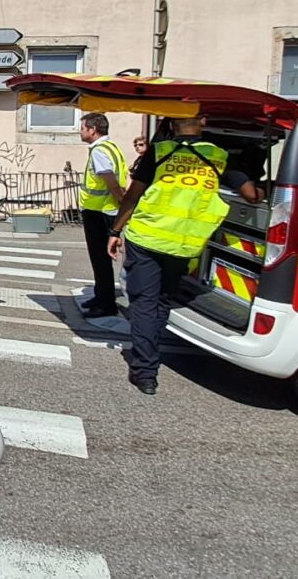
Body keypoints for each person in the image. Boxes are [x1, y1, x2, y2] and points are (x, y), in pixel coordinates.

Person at [108, 115, 230, 395]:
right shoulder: (218, 156)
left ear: (171, 124)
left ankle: (145, 371)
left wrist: (115, 230)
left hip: (147, 237)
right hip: (184, 244)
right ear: (202, 121)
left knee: (143, 303)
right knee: (162, 299)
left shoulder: (159, 153)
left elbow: (133, 195)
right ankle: (151, 346)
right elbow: (248, 192)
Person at [78, 113, 129, 319]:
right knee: (101, 260)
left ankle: (105, 303)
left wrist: (123, 202)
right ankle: (100, 296)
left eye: (82, 127)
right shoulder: (112, 147)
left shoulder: (99, 151)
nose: (80, 131)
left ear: (92, 129)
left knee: (100, 260)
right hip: (105, 209)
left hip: (99, 211)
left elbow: (109, 179)